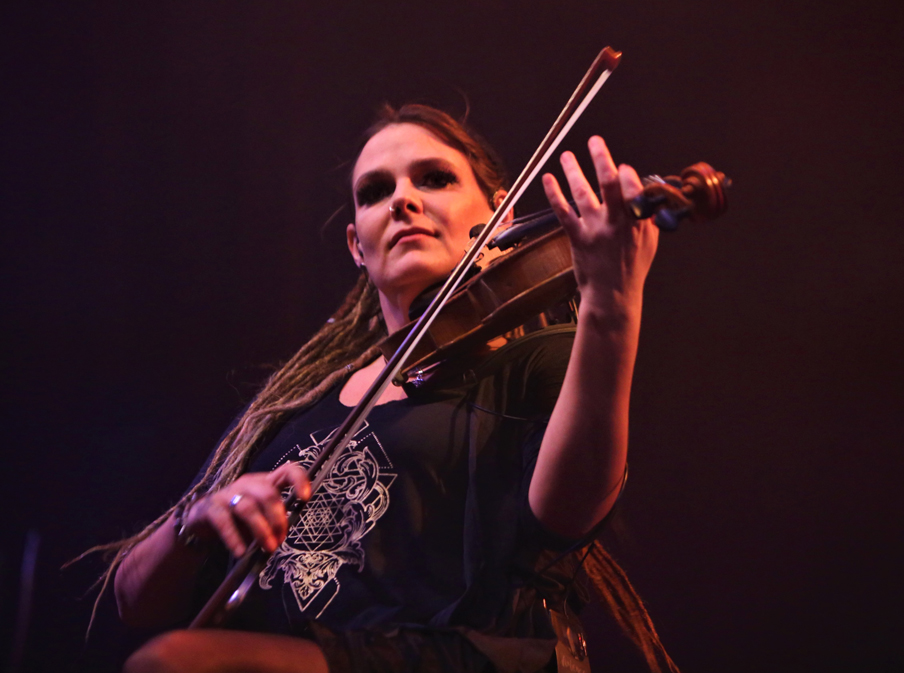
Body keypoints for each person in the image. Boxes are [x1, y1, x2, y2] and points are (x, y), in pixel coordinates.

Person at [97, 104, 677, 673]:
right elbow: (135, 600)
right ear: (357, 245)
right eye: (375, 191)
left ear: (500, 218)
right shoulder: (299, 403)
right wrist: (197, 520)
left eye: (435, 179)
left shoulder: (538, 362)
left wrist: (611, 307)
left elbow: (568, 513)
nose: (402, 200)